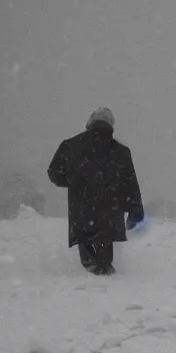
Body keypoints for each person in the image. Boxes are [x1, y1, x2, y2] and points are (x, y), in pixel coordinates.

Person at [47, 108, 144, 275]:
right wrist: (135, 212)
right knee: (105, 262)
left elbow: (54, 173)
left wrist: (73, 182)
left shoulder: (71, 146)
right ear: (111, 126)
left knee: (88, 257)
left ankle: (94, 282)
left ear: (90, 123)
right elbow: (130, 185)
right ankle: (108, 283)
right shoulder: (121, 152)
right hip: (110, 213)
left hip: (82, 211)